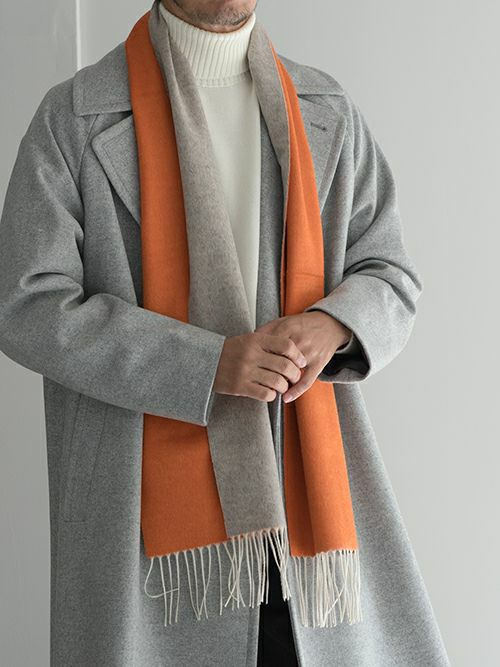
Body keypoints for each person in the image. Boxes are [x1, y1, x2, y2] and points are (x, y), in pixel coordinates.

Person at [0, 0, 450, 665]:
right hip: (145, 526)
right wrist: (205, 364)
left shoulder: (325, 109)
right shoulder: (74, 117)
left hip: (306, 513)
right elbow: (28, 303)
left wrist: (332, 325)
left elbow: (390, 273)